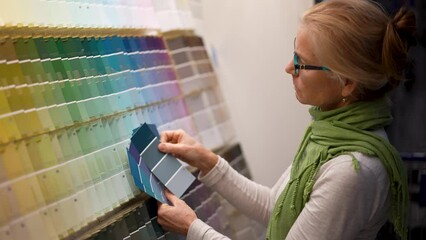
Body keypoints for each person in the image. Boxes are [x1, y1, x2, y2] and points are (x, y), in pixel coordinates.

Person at [156, 0, 417, 239]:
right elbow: (276, 206)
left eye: (301, 62)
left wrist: (192, 228)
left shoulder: (352, 170)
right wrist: (207, 161)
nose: (289, 68)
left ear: (347, 82)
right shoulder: (330, 134)